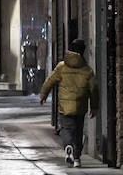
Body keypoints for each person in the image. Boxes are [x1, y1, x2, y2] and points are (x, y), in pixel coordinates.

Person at [39, 37, 98, 168]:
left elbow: (50, 81)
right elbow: (94, 89)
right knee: (78, 131)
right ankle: (77, 158)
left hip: (64, 107)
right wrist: (94, 107)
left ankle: (68, 146)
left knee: (67, 129)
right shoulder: (87, 70)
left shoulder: (61, 67)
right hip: (80, 106)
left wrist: (43, 95)